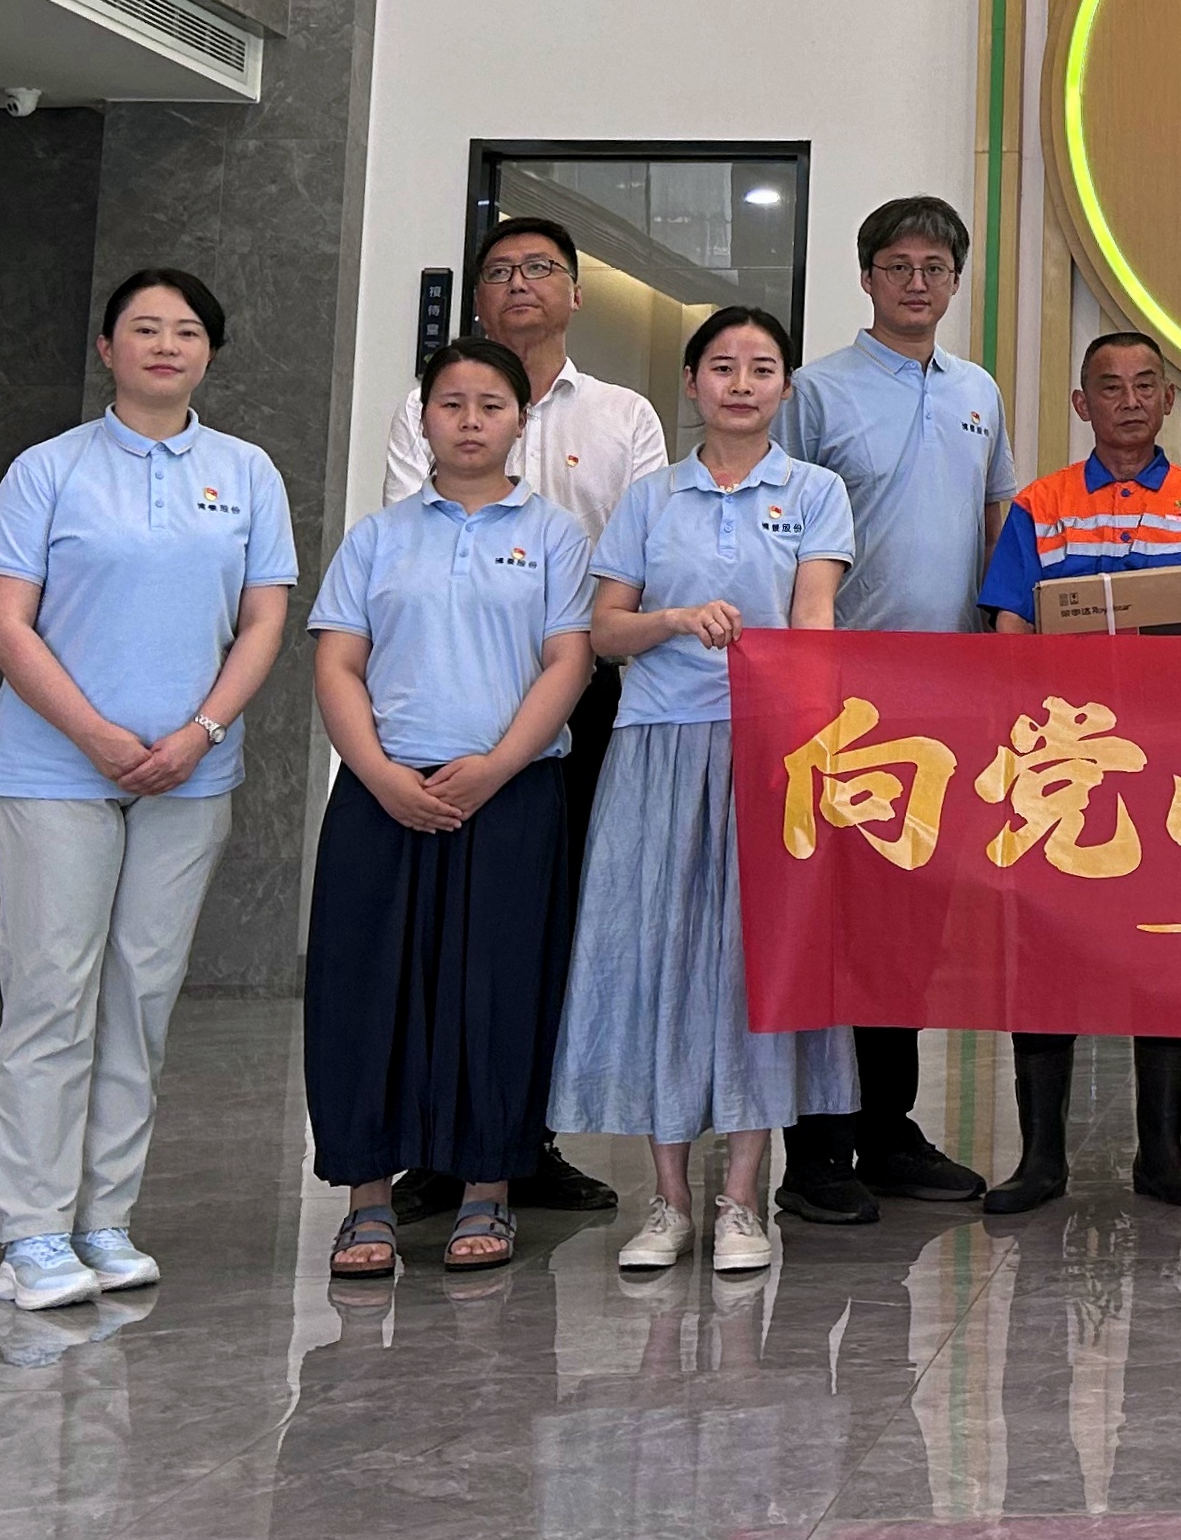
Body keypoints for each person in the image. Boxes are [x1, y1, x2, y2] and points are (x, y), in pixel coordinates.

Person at [0, 269, 300, 1311]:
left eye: (187, 330)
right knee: (50, 994)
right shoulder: (47, 469)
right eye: (144, 328)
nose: (166, 344)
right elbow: (5, 623)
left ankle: (104, 1219)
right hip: (53, 771)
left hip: (191, 777)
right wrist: (99, 735)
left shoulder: (246, 471)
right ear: (107, 348)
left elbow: (263, 621)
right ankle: (31, 1232)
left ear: (211, 352)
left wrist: (200, 733)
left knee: (141, 999)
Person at [547, 305, 860, 1281]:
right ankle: (668, 1200)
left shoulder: (814, 491)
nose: (740, 383)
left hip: (769, 753)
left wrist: (795, 714)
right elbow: (605, 631)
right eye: (721, 366)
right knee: (662, 961)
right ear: (691, 383)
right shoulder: (650, 498)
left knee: (753, 969)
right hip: (657, 747)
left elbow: (815, 619)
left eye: (761, 368)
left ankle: (742, 1201)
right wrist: (676, 620)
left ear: (784, 388)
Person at [379, 215, 665, 1222]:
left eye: (541, 268)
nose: (520, 283)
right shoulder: (424, 406)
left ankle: (523, 1136)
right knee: (435, 929)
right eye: (500, 269)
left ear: (576, 292)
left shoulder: (625, 415)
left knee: (548, 921)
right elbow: (411, 535)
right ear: (477, 296)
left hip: (583, 693)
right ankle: (433, 1147)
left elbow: (646, 548)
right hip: (443, 694)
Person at [306, 336, 597, 1282]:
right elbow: (337, 663)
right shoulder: (377, 536)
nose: (470, 422)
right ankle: (366, 1199)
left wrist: (498, 766)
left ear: (521, 421)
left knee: (500, 989)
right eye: (451, 404)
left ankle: (487, 1189)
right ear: (423, 418)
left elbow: (569, 662)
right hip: (383, 796)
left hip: (512, 796)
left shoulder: (555, 536)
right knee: (366, 990)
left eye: (490, 406)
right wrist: (381, 774)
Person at [974, 330, 1181, 1216]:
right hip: (1060, 768)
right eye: (1110, 387)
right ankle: (1040, 1159)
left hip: (1167, 763)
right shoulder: (1041, 505)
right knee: (1044, 952)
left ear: (1167, 400)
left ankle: (1162, 1154)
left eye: (1144, 386)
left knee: (1166, 951)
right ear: (1080, 404)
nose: (1129, 401)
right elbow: (1009, 627)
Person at [770, 194, 1014, 1223]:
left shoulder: (977, 391)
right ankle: (815, 1147)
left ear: (954, 281)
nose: (918, 283)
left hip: (943, 701)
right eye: (898, 266)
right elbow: (780, 530)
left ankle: (889, 1129)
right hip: (836, 704)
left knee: (910, 924)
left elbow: (998, 523)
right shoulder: (816, 391)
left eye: (935, 268)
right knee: (827, 921)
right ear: (866, 277)